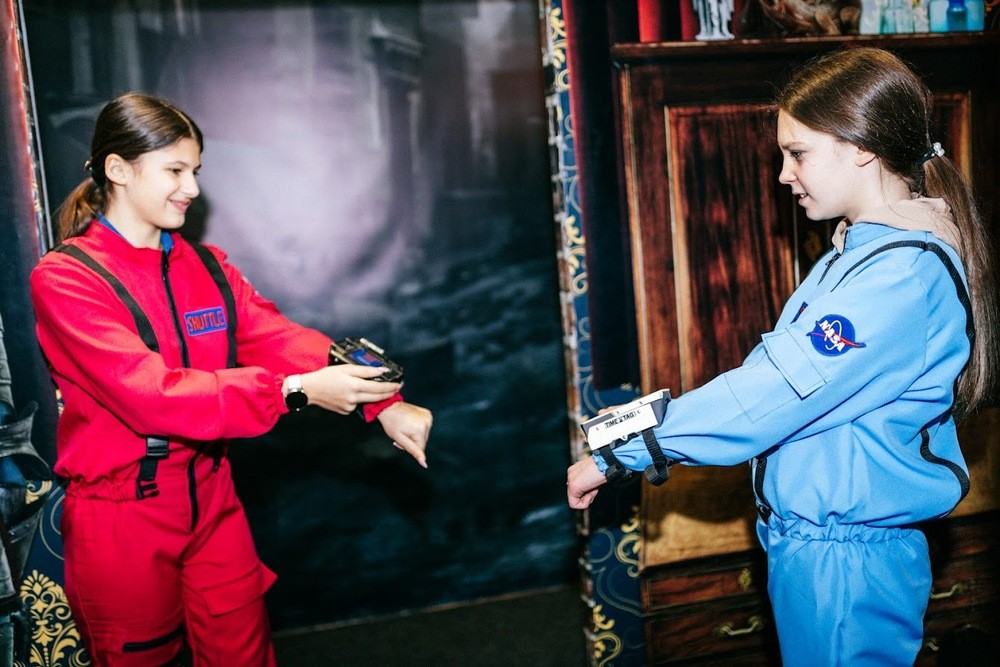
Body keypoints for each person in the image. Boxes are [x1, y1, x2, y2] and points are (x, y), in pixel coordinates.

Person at [567, 47, 998, 666]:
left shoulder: (898, 277)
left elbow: (772, 392)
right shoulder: (862, 255)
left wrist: (624, 449)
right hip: (819, 547)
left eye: (798, 153)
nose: (783, 175)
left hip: (845, 560)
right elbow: (775, 382)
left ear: (861, 147)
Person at [29, 92, 433, 666]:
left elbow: (281, 340)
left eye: (195, 171)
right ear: (118, 169)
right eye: (175, 170)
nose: (192, 188)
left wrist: (385, 403)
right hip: (122, 515)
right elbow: (153, 397)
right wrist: (294, 392)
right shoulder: (67, 279)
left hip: (213, 497)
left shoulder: (207, 266)